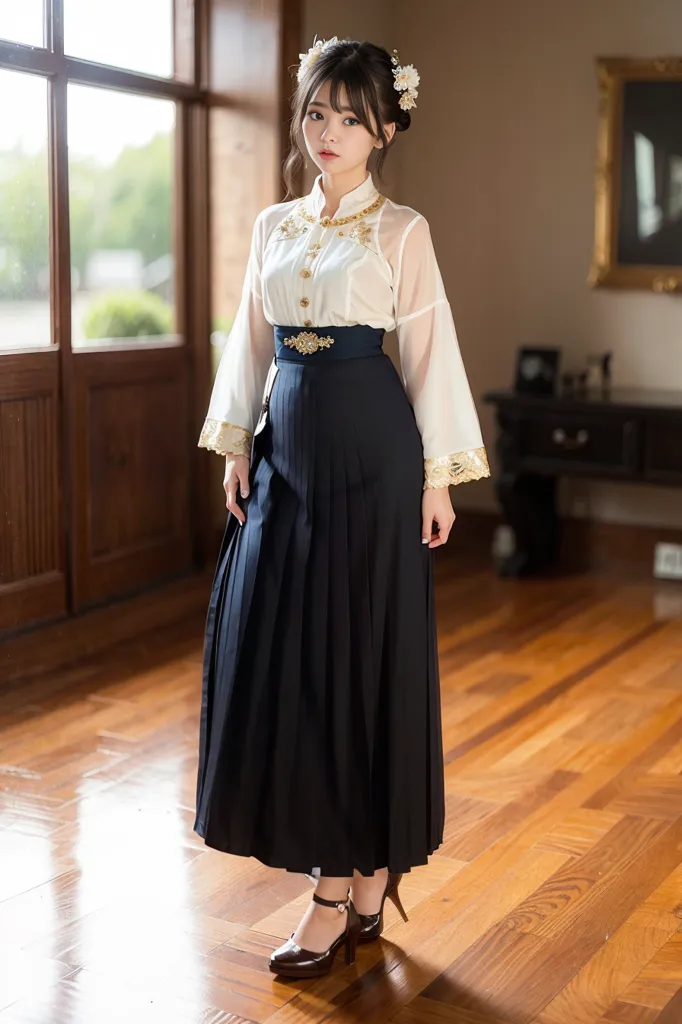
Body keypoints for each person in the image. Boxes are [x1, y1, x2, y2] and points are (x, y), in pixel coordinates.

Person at [193, 36, 490, 978]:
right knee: (285, 654)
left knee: (357, 654)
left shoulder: (403, 230)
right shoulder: (273, 225)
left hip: (371, 457)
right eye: (318, 112)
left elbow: (431, 354)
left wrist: (437, 477)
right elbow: (247, 340)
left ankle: (339, 889)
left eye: (352, 118)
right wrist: (235, 442)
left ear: (386, 130)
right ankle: (360, 881)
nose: (329, 131)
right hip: (287, 458)